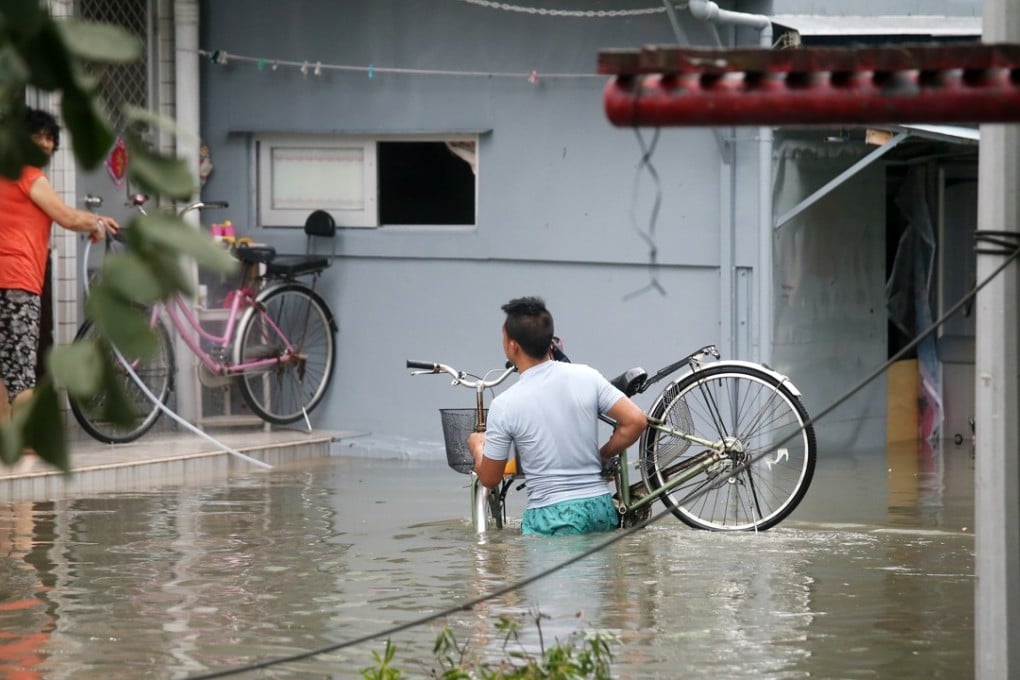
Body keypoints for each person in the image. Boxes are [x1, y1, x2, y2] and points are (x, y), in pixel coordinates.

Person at [467, 296, 648, 536]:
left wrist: (478, 446)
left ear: (513, 346)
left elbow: (490, 479)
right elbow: (636, 421)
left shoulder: (505, 405)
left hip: (553, 517)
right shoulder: (587, 376)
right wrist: (602, 456)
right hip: (600, 508)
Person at [0, 107, 120, 428]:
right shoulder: (30, 176)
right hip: (17, 283)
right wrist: (95, 220)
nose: (44, 144)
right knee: (22, 369)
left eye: (49, 138)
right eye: (36, 136)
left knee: (3, 369)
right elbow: (64, 215)